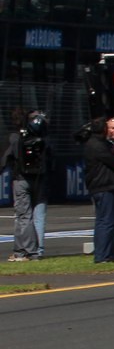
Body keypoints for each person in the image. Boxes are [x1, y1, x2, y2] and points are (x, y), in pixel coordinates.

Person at [83, 116, 114, 264]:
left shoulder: (94, 143)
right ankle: (103, 255)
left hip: (100, 186)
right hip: (104, 186)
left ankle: (102, 253)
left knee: (102, 221)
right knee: (107, 222)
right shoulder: (98, 145)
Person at [3, 110, 48, 262]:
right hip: (39, 178)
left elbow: (6, 158)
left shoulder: (15, 138)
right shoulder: (43, 138)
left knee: (23, 216)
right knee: (37, 216)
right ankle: (25, 250)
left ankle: (30, 251)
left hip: (21, 178)